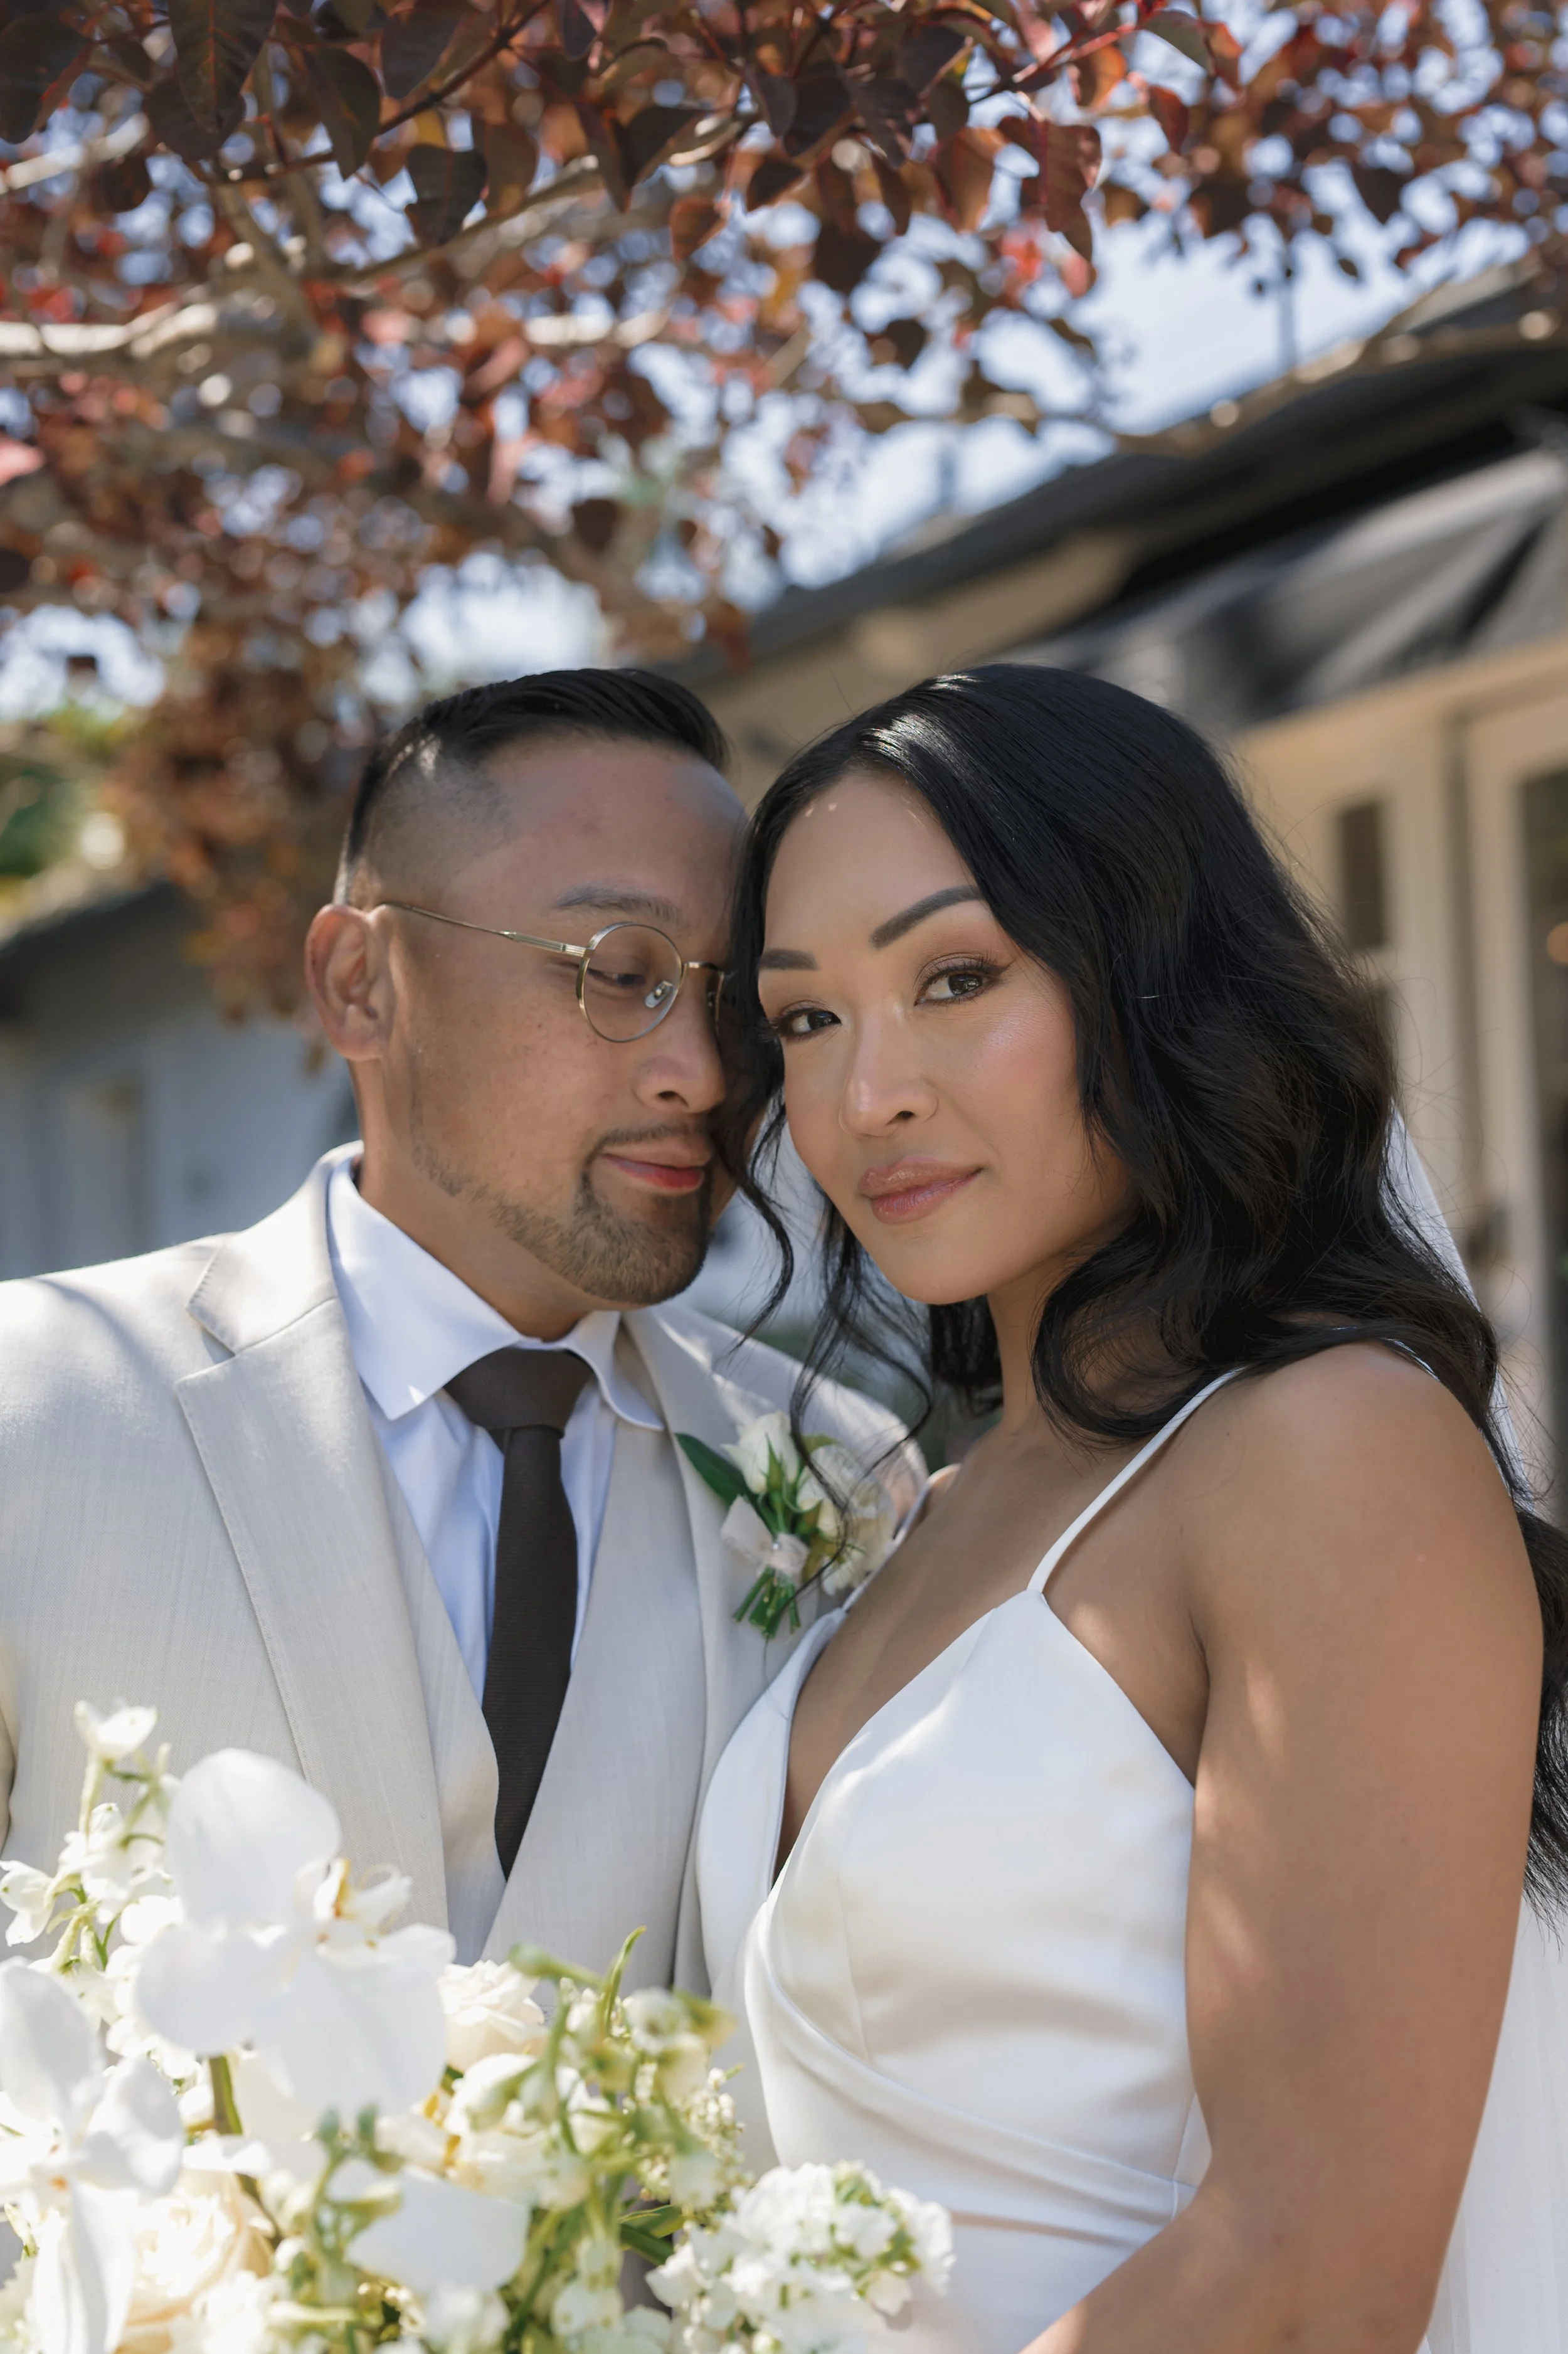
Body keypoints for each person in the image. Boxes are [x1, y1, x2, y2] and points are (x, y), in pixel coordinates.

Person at [696, 664, 1568, 2353]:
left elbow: (1313, 2271)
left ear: (1156, 986)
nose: (862, 1095)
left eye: (954, 978)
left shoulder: (1325, 1453)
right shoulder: (918, 1514)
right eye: (804, 1018)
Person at [0, 669, 916, 1985]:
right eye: (618, 970)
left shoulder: (844, 1480)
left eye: (731, 1001)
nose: (703, 1075)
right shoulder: (34, 1410)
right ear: (361, 983)